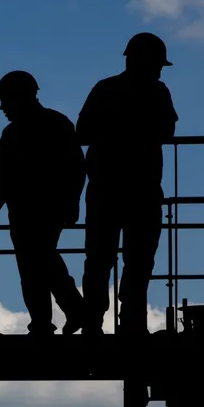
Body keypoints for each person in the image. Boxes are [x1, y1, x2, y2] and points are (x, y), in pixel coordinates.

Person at [76, 32, 178, 335]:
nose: (159, 70)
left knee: (99, 259)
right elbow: (167, 132)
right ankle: (131, 321)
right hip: (142, 190)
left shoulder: (105, 89)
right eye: (157, 64)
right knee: (139, 259)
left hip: (106, 189)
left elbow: (82, 133)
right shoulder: (158, 93)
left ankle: (93, 322)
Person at [0, 70, 87, 335]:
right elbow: (77, 168)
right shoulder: (55, 124)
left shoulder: (17, 132)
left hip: (32, 209)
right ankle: (66, 314)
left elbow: (76, 168)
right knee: (41, 261)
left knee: (35, 265)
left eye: (5, 100)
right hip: (38, 209)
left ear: (18, 98)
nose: (2, 107)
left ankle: (51, 319)